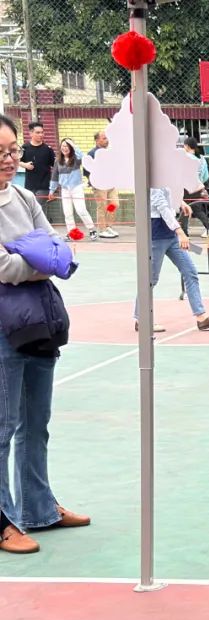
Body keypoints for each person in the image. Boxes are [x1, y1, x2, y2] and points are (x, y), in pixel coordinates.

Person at [0, 113, 90, 554]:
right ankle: (3, 521)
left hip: (37, 320)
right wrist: (35, 259)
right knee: (3, 426)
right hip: (4, 328)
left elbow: (56, 250)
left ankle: (38, 508)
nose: (8, 158)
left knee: (36, 423)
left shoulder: (21, 196)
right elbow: (4, 268)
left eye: (12, 150)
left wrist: (31, 257)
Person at [137, 187, 209, 333]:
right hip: (157, 235)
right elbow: (162, 207)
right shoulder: (154, 183)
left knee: (190, 272)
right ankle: (141, 319)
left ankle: (201, 318)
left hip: (171, 236)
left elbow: (169, 195)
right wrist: (180, 231)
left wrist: (181, 202)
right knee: (151, 279)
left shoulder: (167, 179)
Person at [48, 139, 97, 240]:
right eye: (63, 146)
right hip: (65, 189)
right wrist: (51, 190)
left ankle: (92, 229)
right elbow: (54, 176)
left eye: (67, 146)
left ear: (71, 147)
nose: (64, 148)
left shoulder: (76, 158)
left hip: (76, 188)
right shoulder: (58, 160)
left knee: (81, 210)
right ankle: (72, 232)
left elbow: (83, 158)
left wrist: (74, 146)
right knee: (68, 213)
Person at [182, 137, 209, 239]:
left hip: (187, 188)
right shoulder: (202, 158)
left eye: (184, 145)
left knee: (184, 208)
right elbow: (206, 177)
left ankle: (185, 233)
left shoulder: (184, 157)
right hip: (198, 188)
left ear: (187, 146)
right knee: (196, 209)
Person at [85, 131, 118, 238]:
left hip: (111, 183)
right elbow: (86, 170)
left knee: (114, 204)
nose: (106, 140)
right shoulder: (92, 153)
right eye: (104, 138)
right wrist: (92, 182)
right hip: (99, 185)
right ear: (97, 140)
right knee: (102, 207)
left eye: (106, 138)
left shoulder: (109, 152)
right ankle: (102, 229)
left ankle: (108, 226)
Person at [19, 122, 54, 216]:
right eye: (38, 132)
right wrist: (25, 165)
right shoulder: (24, 148)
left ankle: (41, 225)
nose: (41, 135)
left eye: (42, 132)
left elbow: (55, 166)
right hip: (29, 186)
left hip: (44, 186)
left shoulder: (48, 149)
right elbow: (17, 161)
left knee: (38, 209)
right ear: (31, 133)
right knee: (30, 210)